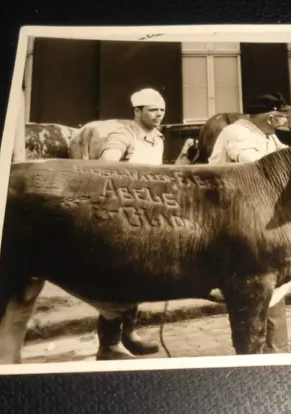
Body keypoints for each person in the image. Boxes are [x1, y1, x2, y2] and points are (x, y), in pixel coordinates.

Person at [208, 93, 291, 354]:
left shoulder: (268, 134)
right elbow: (258, 167)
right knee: (259, 280)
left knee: (273, 278)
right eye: (281, 112)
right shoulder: (238, 134)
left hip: (255, 214)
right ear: (268, 115)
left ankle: (277, 346)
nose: (285, 117)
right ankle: (269, 348)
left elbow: (290, 157)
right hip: (229, 214)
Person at [94, 87, 166, 360]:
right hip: (120, 215)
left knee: (140, 276)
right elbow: (105, 168)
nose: (159, 115)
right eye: (152, 110)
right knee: (118, 279)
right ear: (137, 111)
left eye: (161, 110)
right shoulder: (122, 135)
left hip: (146, 215)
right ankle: (109, 345)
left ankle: (129, 335)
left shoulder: (157, 137)